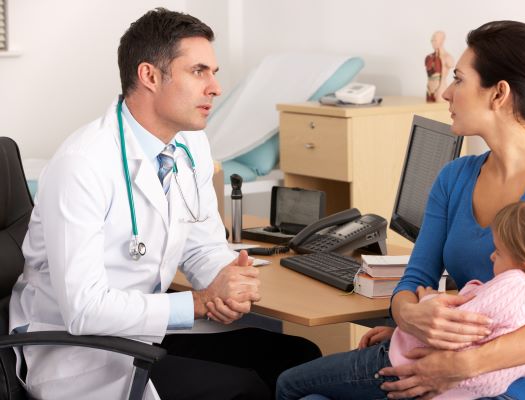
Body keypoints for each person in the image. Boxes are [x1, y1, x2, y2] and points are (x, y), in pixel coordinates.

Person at [9, 8, 320, 400]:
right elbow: (84, 309)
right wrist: (196, 303)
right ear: (150, 76)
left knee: (297, 359)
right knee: (244, 390)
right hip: (78, 352)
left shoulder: (189, 144)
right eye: (199, 71)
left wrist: (226, 282)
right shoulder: (82, 164)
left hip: (145, 333)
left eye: (214, 72)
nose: (216, 87)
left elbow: (202, 244)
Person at [281, 20, 525, 400]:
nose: (447, 93)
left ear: (499, 93)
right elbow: (416, 276)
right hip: (437, 359)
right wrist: (410, 318)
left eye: (459, 80)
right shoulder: (455, 177)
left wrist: (464, 365)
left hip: (513, 384)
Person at [276, 198, 525, 399]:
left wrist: (427, 303)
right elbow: (480, 333)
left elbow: (457, 331)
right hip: (423, 363)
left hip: (401, 365)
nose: (491, 258)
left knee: (289, 384)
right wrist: (403, 323)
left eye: (498, 252)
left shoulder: (518, 285)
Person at [425, 31, 454, 102]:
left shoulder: (447, 57)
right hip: (429, 90)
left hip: (440, 89)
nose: (432, 42)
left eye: (435, 40)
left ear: (442, 41)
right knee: (427, 111)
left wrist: (442, 58)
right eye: (431, 40)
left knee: (438, 110)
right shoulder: (428, 57)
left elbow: (451, 64)